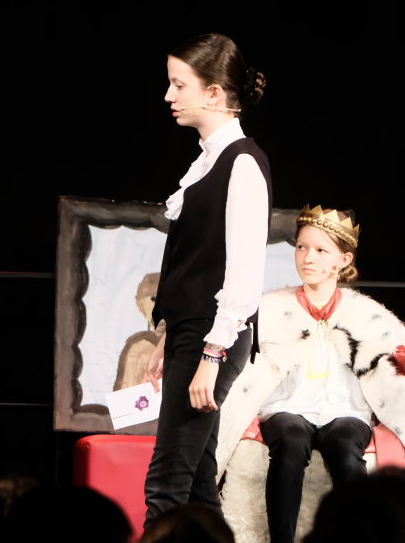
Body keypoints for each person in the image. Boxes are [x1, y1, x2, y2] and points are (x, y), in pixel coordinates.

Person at [142, 33, 272, 522]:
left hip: (213, 337)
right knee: (197, 482)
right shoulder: (208, 160)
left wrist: (211, 355)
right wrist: (170, 335)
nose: (169, 96)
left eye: (180, 85)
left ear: (214, 93)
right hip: (192, 331)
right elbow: (196, 264)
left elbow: (243, 275)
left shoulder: (242, 164)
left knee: (167, 485)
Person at [216, 206, 405, 543]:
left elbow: (393, 354)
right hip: (287, 406)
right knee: (290, 439)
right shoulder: (271, 307)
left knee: (346, 444)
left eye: (320, 250)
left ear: (343, 260)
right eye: (302, 247)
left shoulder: (366, 313)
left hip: (345, 409)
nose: (308, 258)